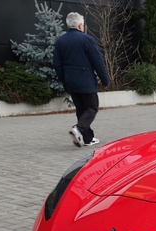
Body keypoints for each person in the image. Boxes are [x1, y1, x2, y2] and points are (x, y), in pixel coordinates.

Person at [53, 12, 110, 147]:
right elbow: (97, 61)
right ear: (80, 25)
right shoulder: (87, 40)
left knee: (81, 109)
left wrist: (64, 80)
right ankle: (78, 129)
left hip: (71, 82)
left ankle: (87, 138)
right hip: (86, 81)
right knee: (92, 106)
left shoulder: (60, 42)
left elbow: (57, 64)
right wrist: (105, 79)